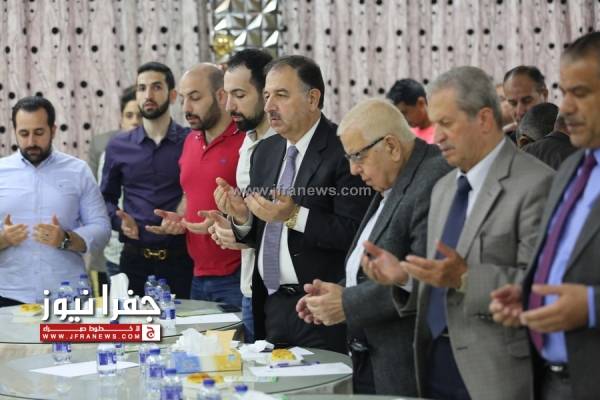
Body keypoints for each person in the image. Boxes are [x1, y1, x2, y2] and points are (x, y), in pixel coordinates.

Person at [363, 66, 554, 400]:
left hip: (494, 373)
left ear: (484, 119)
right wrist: (404, 276)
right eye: (435, 124)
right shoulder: (443, 188)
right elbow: (441, 281)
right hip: (431, 362)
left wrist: (465, 278)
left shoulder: (536, 183)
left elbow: (542, 287)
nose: (437, 137)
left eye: (446, 123)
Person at [295, 98, 451, 395]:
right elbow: (375, 264)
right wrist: (338, 292)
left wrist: (347, 303)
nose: (353, 170)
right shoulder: (393, 179)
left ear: (391, 146)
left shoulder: (433, 179)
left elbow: (421, 277)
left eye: (358, 157)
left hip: (409, 362)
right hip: (371, 355)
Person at [221, 55, 371, 353]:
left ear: (313, 98)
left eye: (281, 95)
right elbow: (264, 232)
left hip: (320, 306)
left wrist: (294, 215)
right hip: (272, 306)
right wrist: (241, 219)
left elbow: (355, 233)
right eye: (266, 95)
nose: (269, 106)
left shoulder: (344, 149)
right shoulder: (264, 151)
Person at [490, 31, 600, 400]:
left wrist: (591, 306)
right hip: (548, 381)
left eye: (580, 93)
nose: (564, 109)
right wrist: (527, 295)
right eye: (564, 92)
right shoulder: (572, 169)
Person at [0, 96, 111, 306]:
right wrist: (3, 239)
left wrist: (66, 239)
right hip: (9, 295)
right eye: (24, 133)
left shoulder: (78, 171)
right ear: (14, 132)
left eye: (39, 132)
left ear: (53, 130)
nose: (31, 142)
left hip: (68, 295)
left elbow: (102, 228)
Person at [150, 63, 244, 307]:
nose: (186, 108)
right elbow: (189, 194)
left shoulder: (247, 140)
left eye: (195, 98)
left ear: (221, 96)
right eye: (183, 99)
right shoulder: (190, 140)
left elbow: (264, 205)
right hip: (197, 274)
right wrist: (180, 219)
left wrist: (224, 220)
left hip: (238, 275)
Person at [101, 61, 192, 298]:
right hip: (133, 260)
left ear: (173, 95)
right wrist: (119, 222)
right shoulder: (118, 146)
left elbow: (202, 192)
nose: (148, 95)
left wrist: (184, 216)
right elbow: (105, 198)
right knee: (134, 322)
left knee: (184, 320)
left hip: (181, 259)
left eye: (156, 87)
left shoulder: (192, 141)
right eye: (142, 88)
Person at [208, 48, 276, 343]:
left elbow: (288, 220)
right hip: (249, 285)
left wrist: (242, 231)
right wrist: (233, 221)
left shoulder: (286, 144)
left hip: (281, 291)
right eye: (227, 95)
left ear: (266, 93)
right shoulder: (247, 141)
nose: (229, 106)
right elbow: (252, 216)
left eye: (239, 95)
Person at [88, 85, 141, 282]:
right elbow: (101, 199)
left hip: (154, 249)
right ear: (121, 118)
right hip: (115, 249)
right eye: (129, 115)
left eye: (140, 115)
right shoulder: (111, 152)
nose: (135, 121)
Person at [386, 79, 435, 143]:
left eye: (404, 112)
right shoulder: (409, 135)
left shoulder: (440, 134)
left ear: (421, 103)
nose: (402, 119)